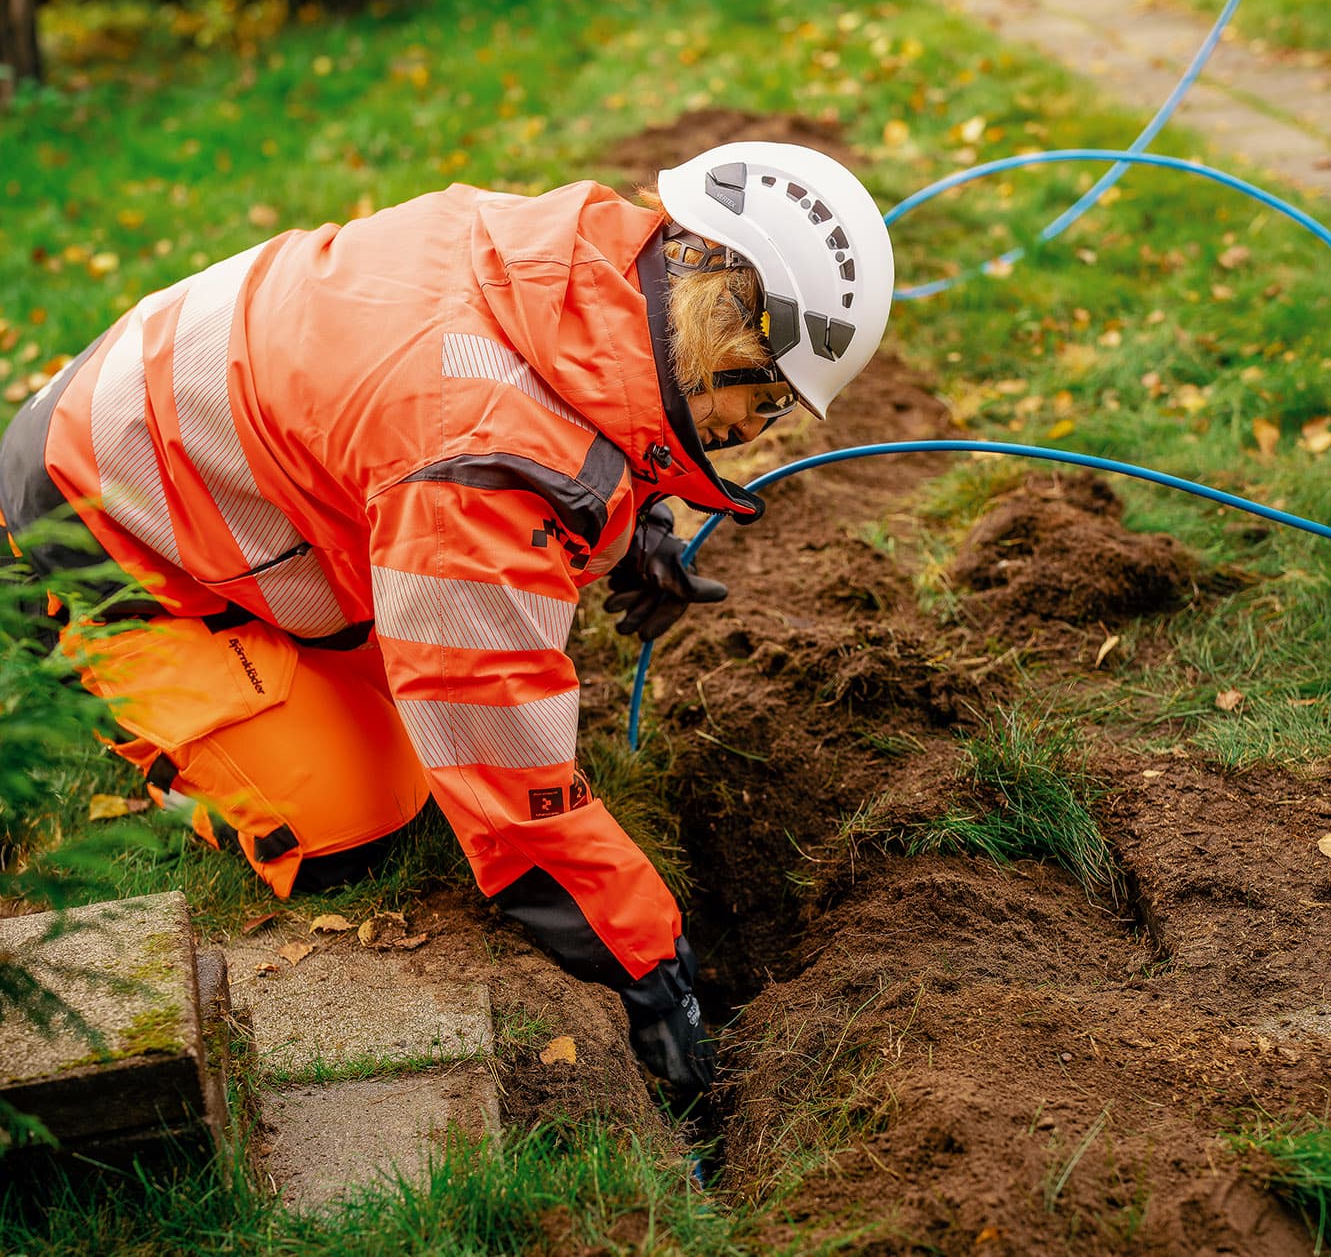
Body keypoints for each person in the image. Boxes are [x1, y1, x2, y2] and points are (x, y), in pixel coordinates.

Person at [0, 140, 894, 1096]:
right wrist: (650, 973)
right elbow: (501, 760)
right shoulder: (473, 453)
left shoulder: (577, 257)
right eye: (762, 402)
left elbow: (586, 398)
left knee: (415, 705)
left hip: (227, 474)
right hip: (99, 525)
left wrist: (639, 525)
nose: (753, 433)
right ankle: (105, 686)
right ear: (725, 318)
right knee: (359, 824)